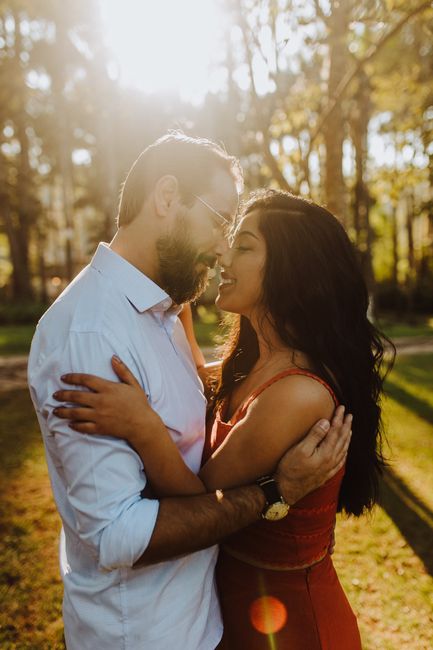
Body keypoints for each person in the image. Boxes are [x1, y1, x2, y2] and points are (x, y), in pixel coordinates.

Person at [28, 134, 351, 650]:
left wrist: (144, 425)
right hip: (145, 635)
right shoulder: (90, 335)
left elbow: (193, 440)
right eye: (223, 223)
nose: (223, 249)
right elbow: (117, 534)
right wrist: (275, 493)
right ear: (166, 197)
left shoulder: (158, 314)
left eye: (241, 240)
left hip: (224, 618)